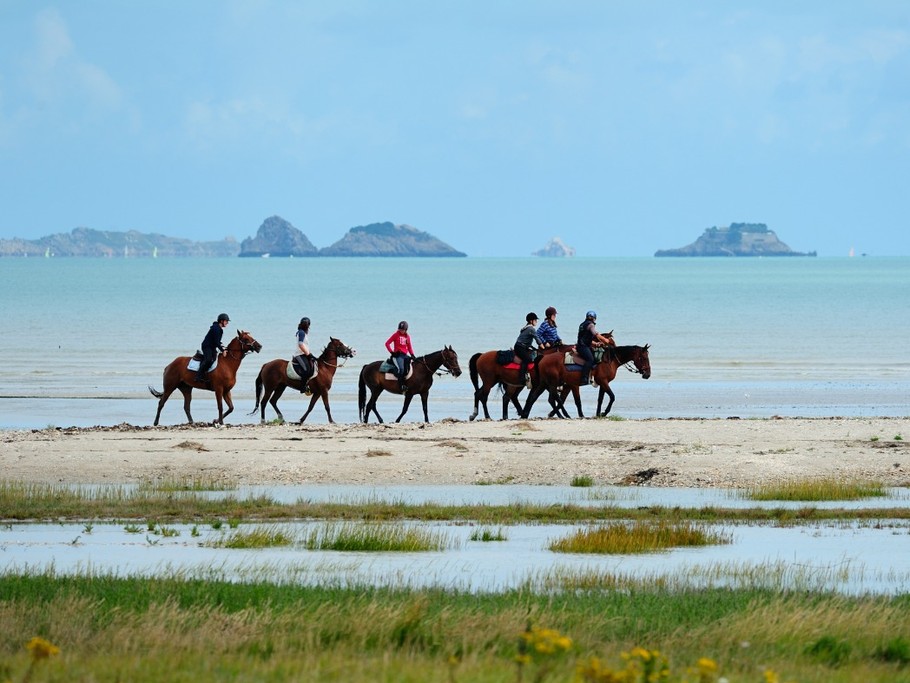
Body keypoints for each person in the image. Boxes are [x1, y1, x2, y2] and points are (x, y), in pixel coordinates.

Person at [576, 310, 611, 386]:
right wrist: (605, 340)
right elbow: (596, 334)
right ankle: (584, 378)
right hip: (583, 347)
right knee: (590, 359)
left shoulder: (583, 324)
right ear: (594, 318)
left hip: (582, 345)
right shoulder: (590, 325)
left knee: (595, 359)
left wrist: (596, 344)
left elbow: (585, 338)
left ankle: (592, 376)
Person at [196, 313, 230, 383]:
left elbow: (218, 341)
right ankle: (198, 376)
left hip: (212, 346)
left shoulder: (219, 329)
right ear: (221, 321)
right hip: (207, 346)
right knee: (208, 359)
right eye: (226, 321)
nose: (227, 323)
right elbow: (216, 342)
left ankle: (207, 374)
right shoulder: (216, 329)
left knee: (214, 359)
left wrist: (224, 348)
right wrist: (222, 350)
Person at [385, 320, 416, 391]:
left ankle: (408, 384)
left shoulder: (407, 337)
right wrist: (392, 352)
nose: (401, 331)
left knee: (410, 367)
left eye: (403, 330)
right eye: (400, 329)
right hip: (397, 355)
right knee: (401, 369)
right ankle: (401, 386)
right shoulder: (395, 335)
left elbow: (409, 347)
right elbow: (387, 343)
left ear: (406, 330)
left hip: (404, 355)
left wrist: (412, 354)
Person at [514, 312, 543, 387]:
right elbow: (537, 338)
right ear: (531, 321)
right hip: (520, 347)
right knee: (527, 359)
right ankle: (521, 377)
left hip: (523, 346)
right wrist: (542, 346)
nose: (536, 321)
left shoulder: (527, 328)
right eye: (535, 320)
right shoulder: (531, 329)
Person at [294, 317, 316, 392]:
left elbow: (305, 345)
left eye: (307, 324)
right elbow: (300, 344)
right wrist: (308, 354)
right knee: (306, 370)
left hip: (304, 354)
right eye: (306, 324)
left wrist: (310, 354)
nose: (307, 326)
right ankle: (302, 387)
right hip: (299, 355)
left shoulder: (303, 333)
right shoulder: (301, 333)